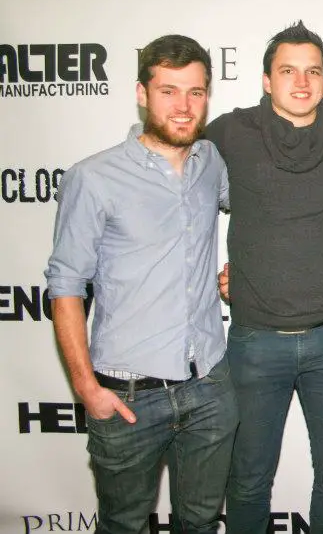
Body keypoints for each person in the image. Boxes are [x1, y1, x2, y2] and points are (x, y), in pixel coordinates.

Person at [45, 34, 237, 534]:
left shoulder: (210, 162)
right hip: (126, 398)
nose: (183, 105)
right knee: (123, 526)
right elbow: (65, 287)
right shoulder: (94, 177)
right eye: (169, 91)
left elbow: (256, 217)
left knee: (199, 523)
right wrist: (87, 389)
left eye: (195, 92)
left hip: (209, 387)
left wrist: (244, 268)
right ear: (141, 93)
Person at [206, 21, 323, 534]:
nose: (301, 81)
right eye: (288, 70)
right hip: (255, 342)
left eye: (313, 71)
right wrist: (215, 273)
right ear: (266, 80)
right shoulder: (230, 131)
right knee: (248, 481)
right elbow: (178, 189)